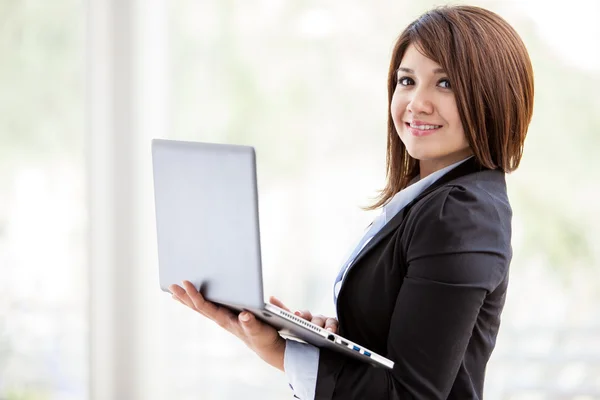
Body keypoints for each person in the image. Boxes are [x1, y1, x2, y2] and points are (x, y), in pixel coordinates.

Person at [169, 4, 534, 399]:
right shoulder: (432, 198)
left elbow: (411, 394)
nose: (417, 102)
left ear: (492, 95)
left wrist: (279, 352)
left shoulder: (461, 213)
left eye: (444, 83)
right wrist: (333, 340)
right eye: (407, 80)